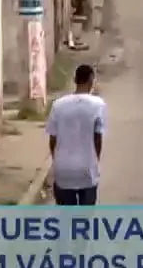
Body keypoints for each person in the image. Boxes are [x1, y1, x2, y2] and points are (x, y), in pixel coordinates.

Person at [45, 64, 107, 205]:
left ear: (74, 80)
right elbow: (98, 138)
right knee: (85, 217)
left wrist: (57, 160)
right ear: (92, 80)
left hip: (63, 170)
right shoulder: (98, 105)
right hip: (87, 169)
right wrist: (95, 161)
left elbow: (52, 139)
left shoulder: (58, 105)